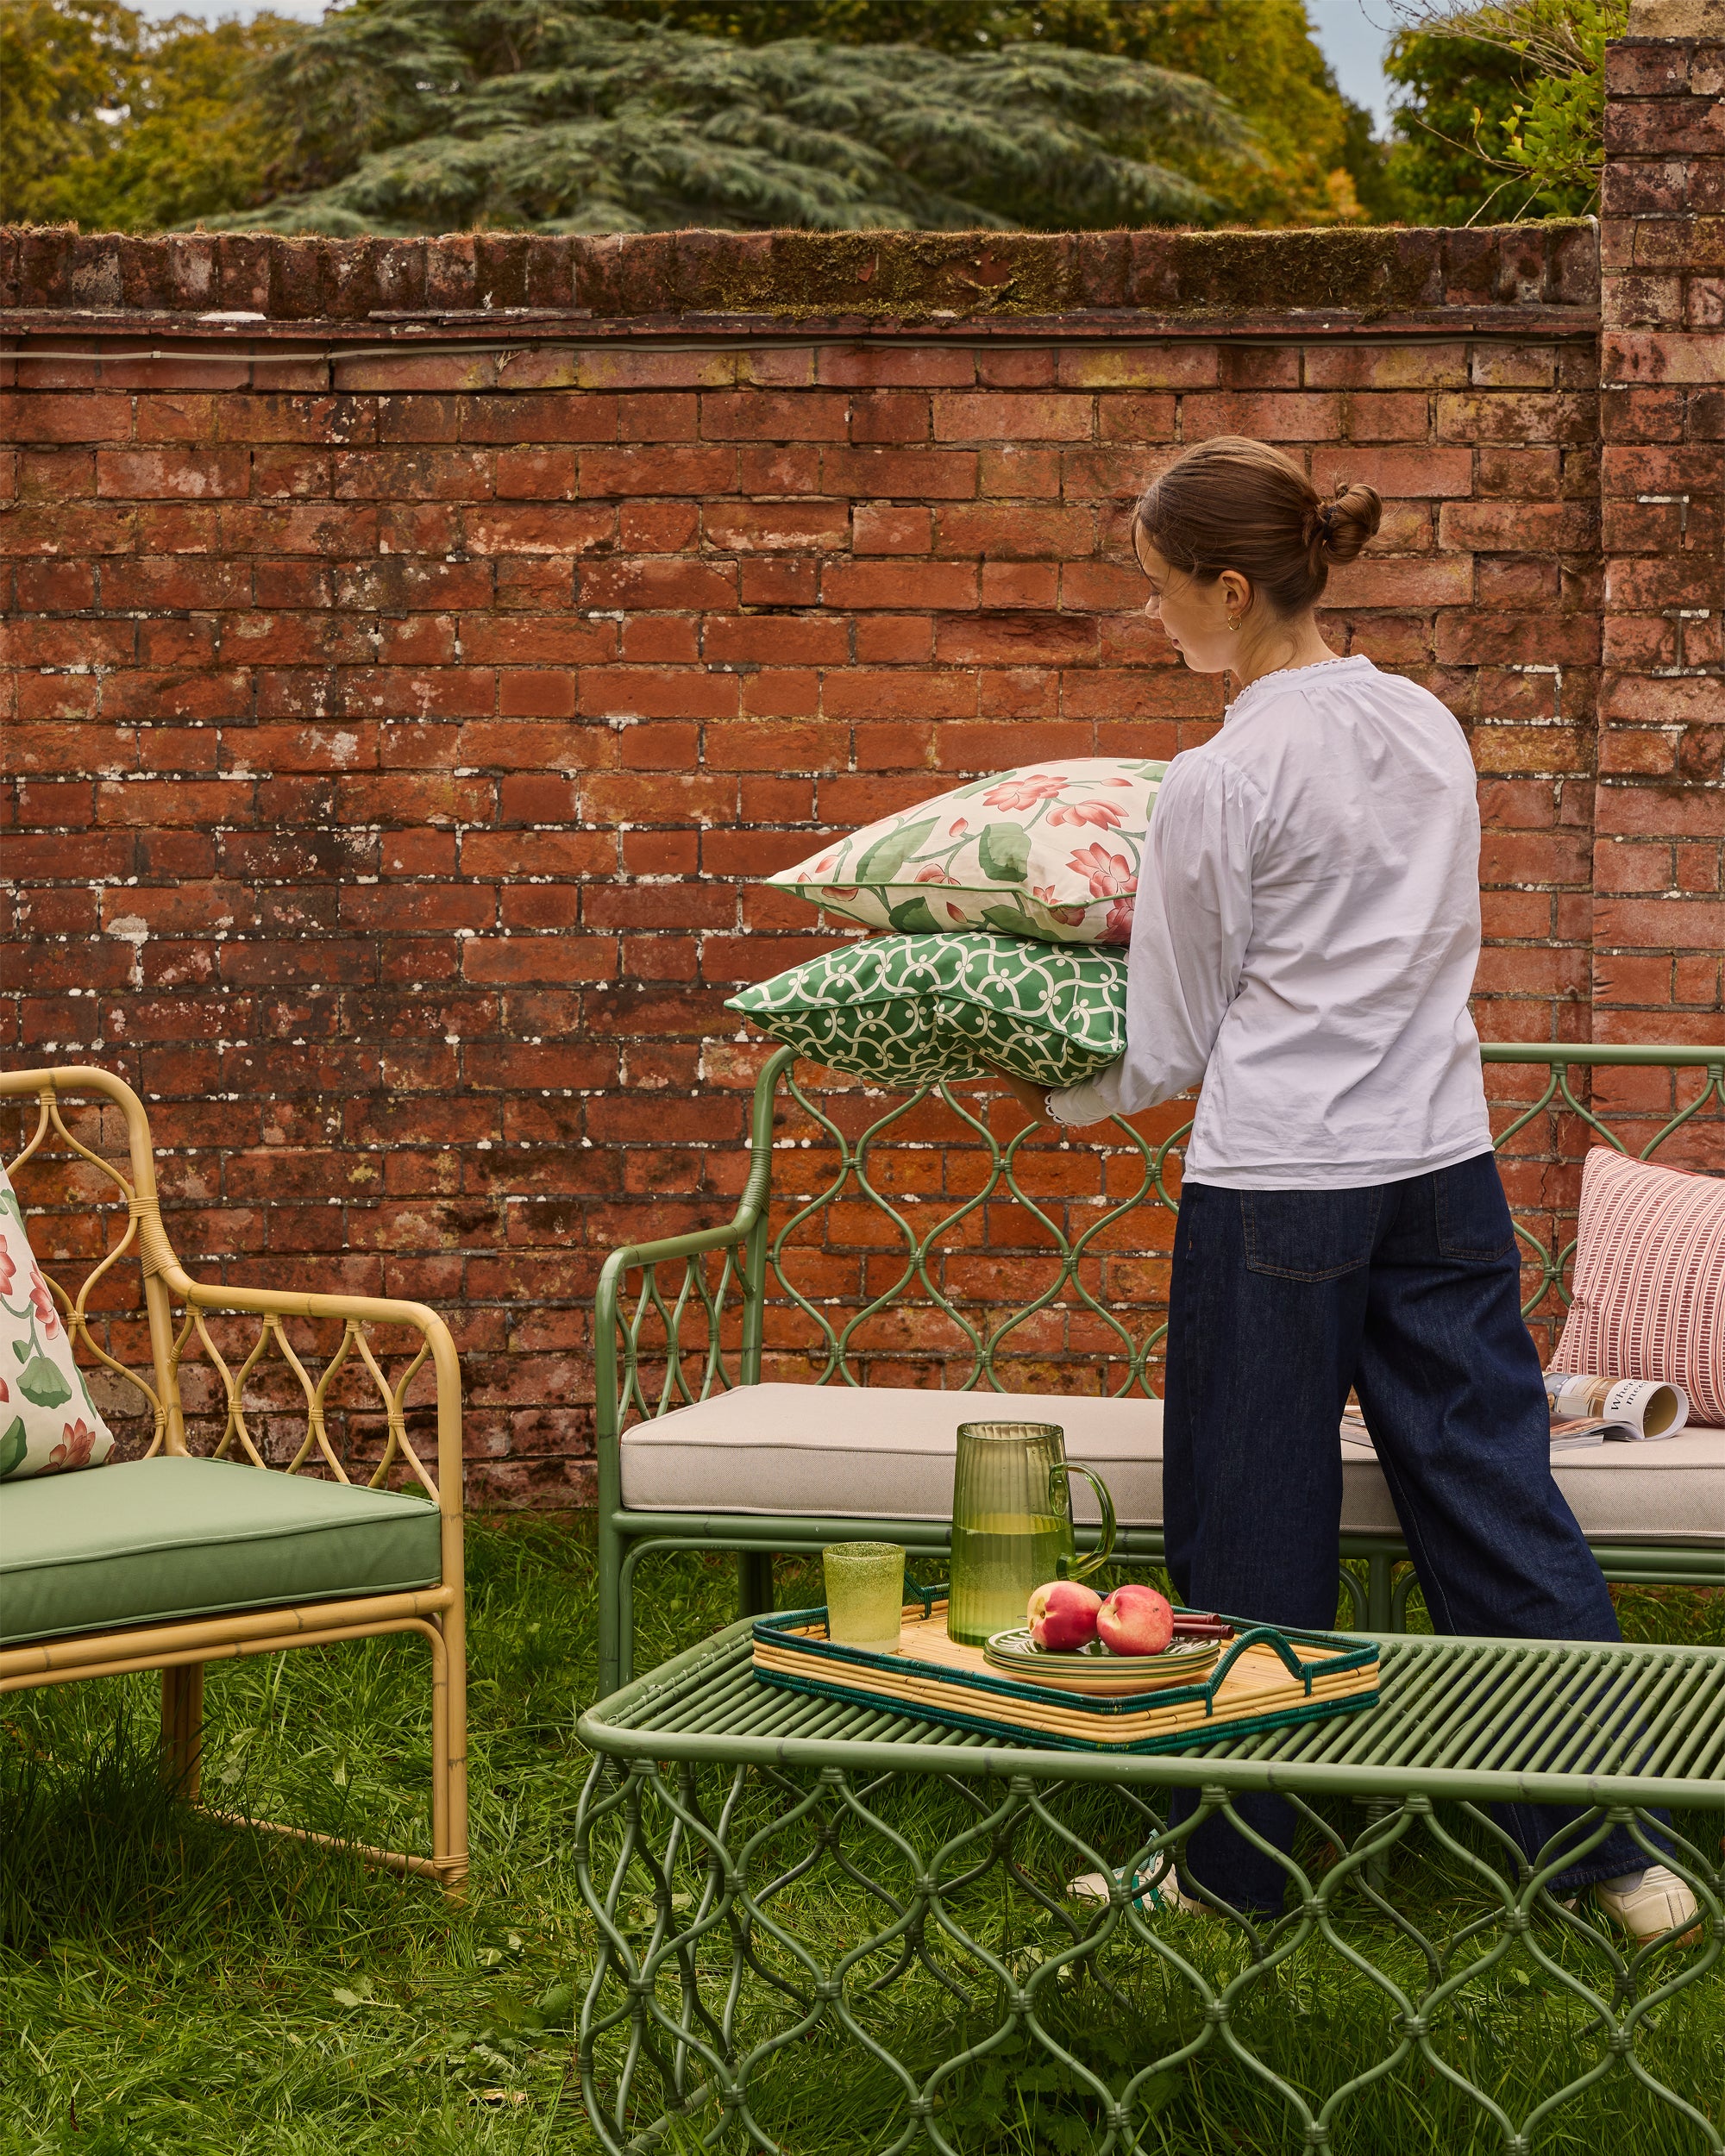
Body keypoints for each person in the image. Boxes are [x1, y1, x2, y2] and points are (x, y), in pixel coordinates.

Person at [994, 436, 1698, 1945]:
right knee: (1497, 1500)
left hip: (1280, 1193)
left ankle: (1235, 1869)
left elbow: (1174, 1036)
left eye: (1164, 590)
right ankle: (1616, 1861)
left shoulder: (1222, 775)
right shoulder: (1424, 723)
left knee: (1251, 1523)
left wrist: (1053, 1089)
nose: (1157, 618)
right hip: (1443, 1168)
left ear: (1232, 587)